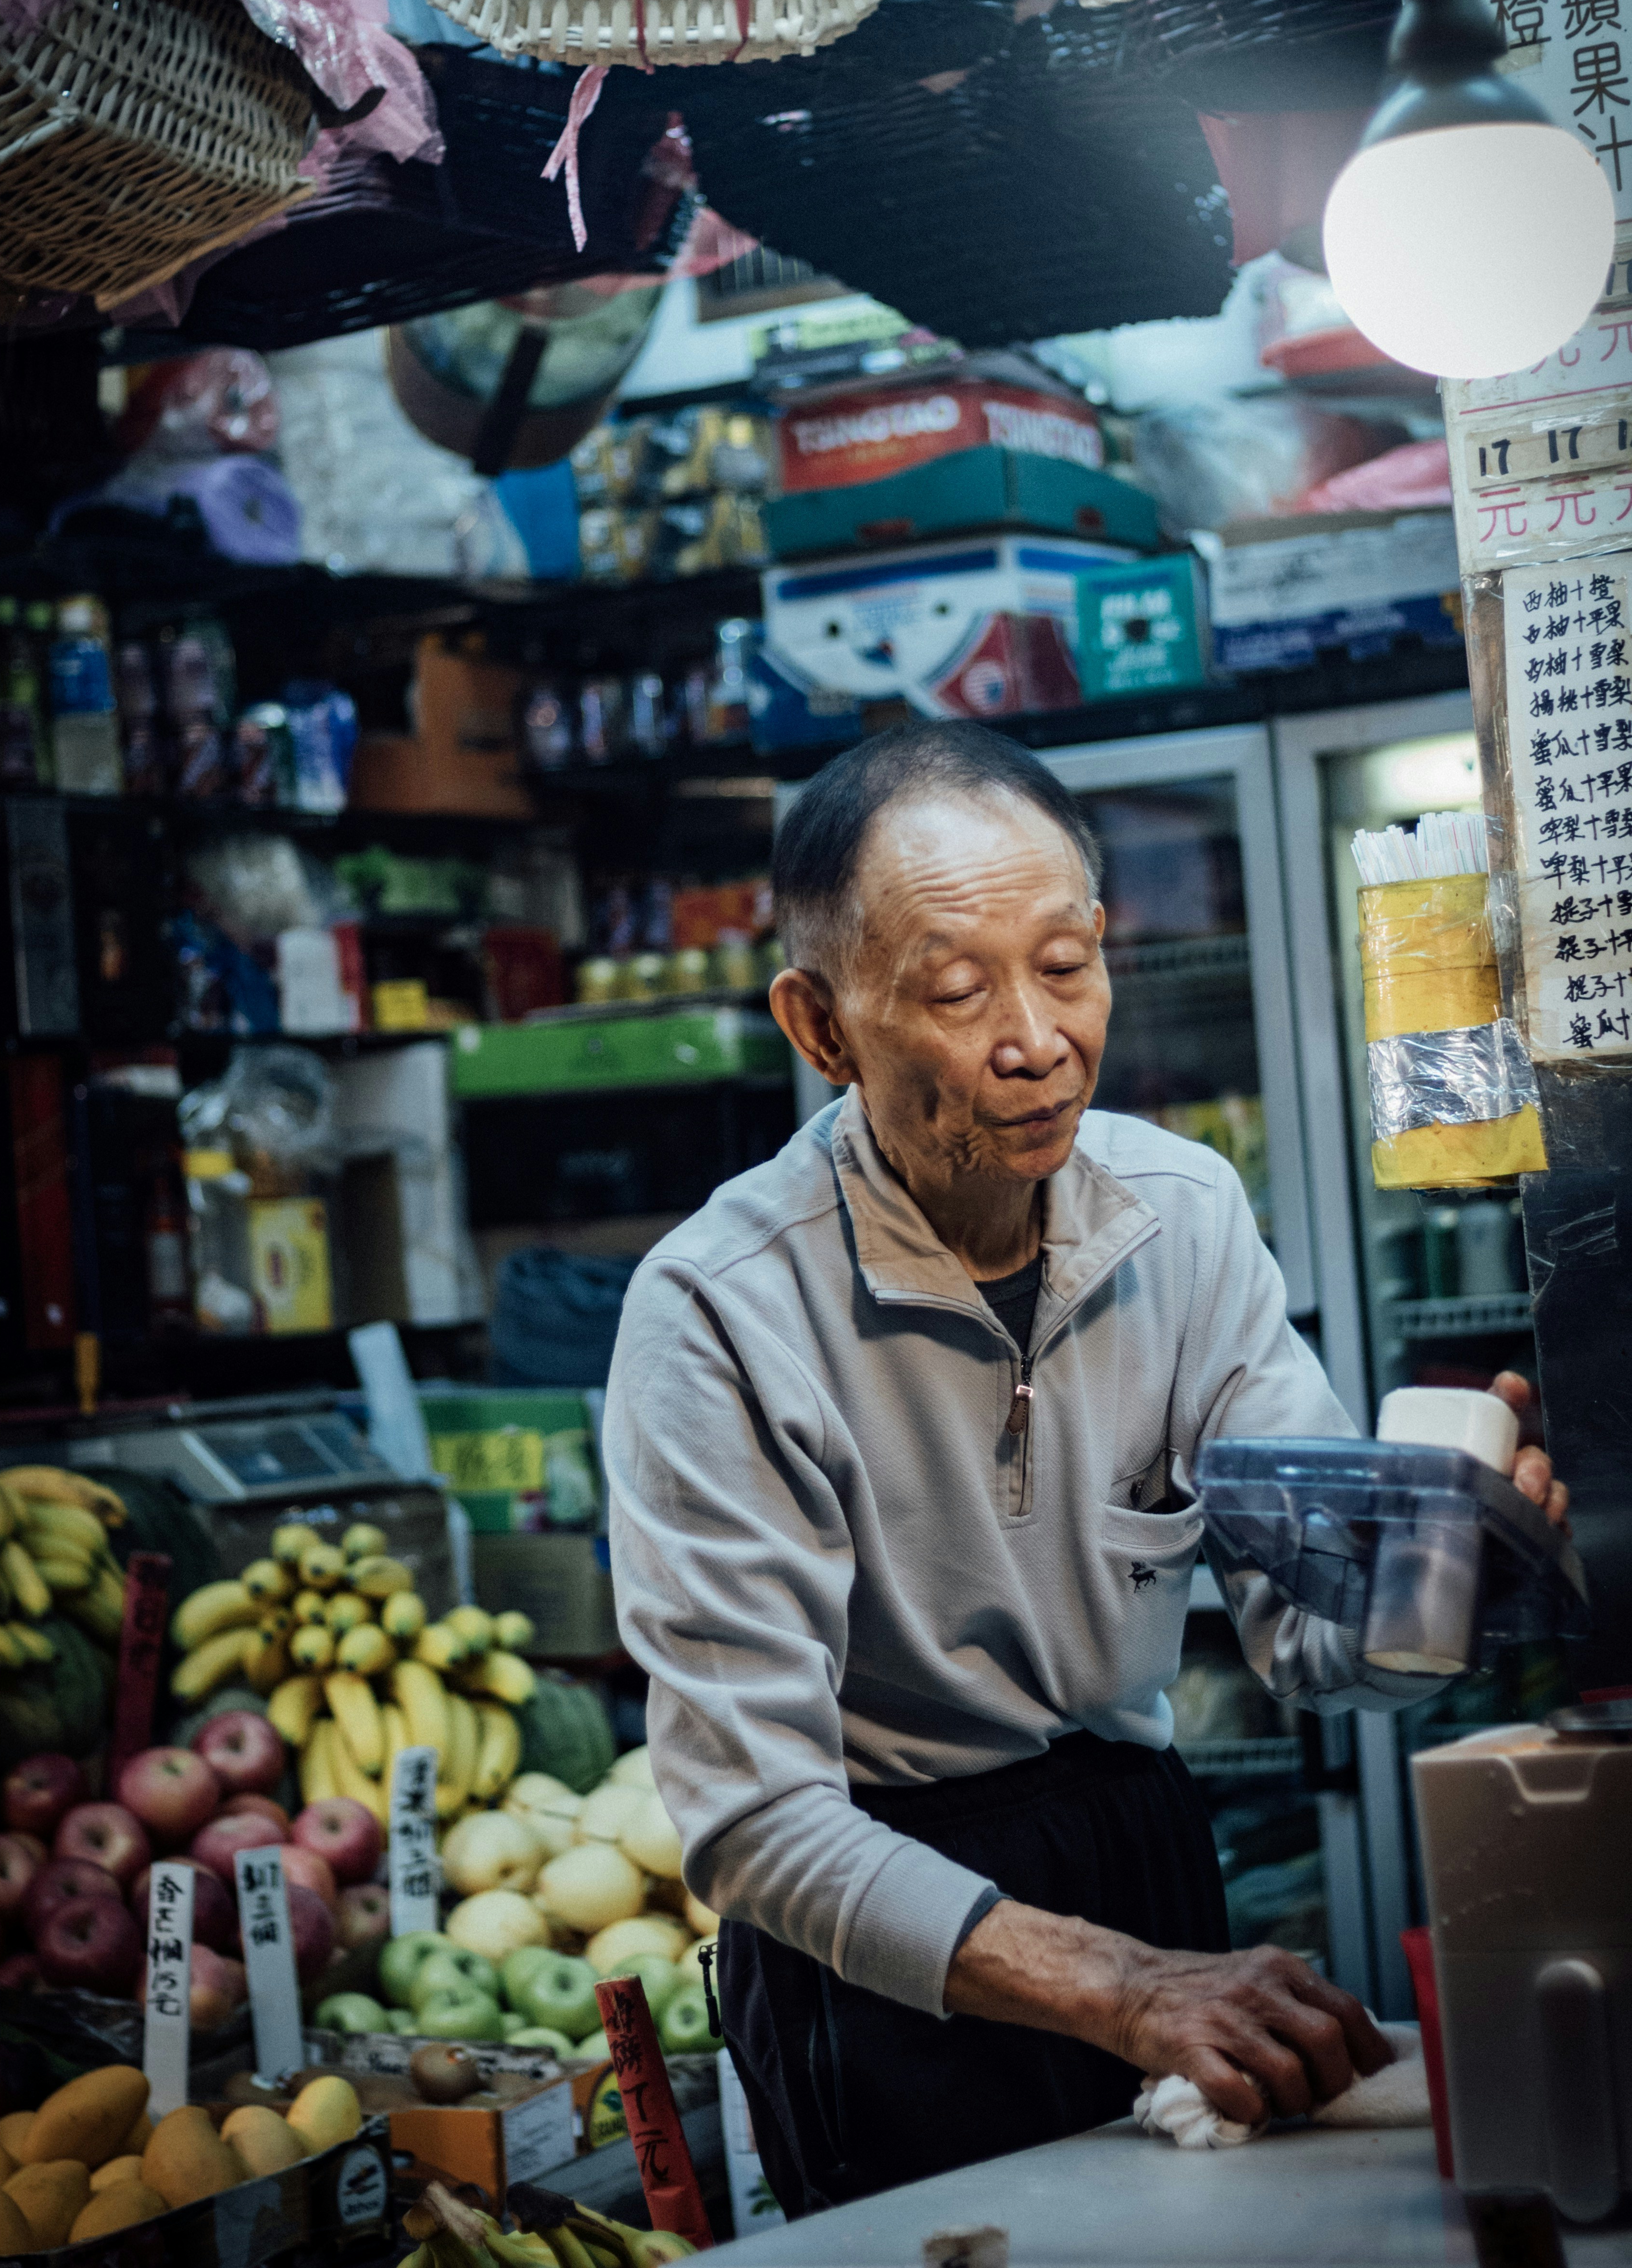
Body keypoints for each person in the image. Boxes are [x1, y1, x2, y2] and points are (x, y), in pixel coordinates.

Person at [602, 724, 1567, 2217]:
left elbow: (1312, 1639)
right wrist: (1120, 1987)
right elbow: (754, 1824)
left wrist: (1442, 1573)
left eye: (1066, 964)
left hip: (1136, 1852)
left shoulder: (1181, 1216)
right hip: (887, 1934)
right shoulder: (722, 1308)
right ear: (822, 1027)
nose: (1036, 1036)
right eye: (954, 987)